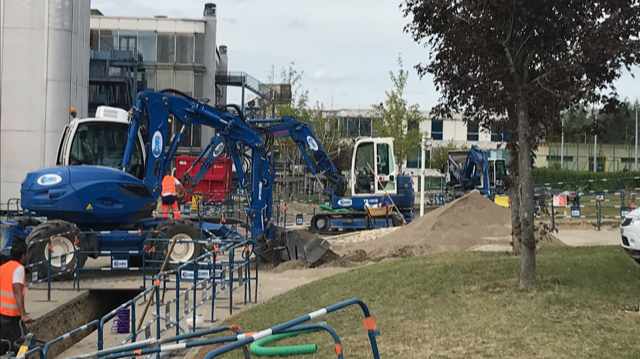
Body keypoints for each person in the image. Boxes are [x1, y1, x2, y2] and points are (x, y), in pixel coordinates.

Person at [0, 241, 32, 350]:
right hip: (12, 316)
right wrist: (23, 315)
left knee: (5, 346)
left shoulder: (3, 267)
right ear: (23, 256)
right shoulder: (19, 269)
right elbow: (17, 292)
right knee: (21, 345)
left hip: (2, 314)